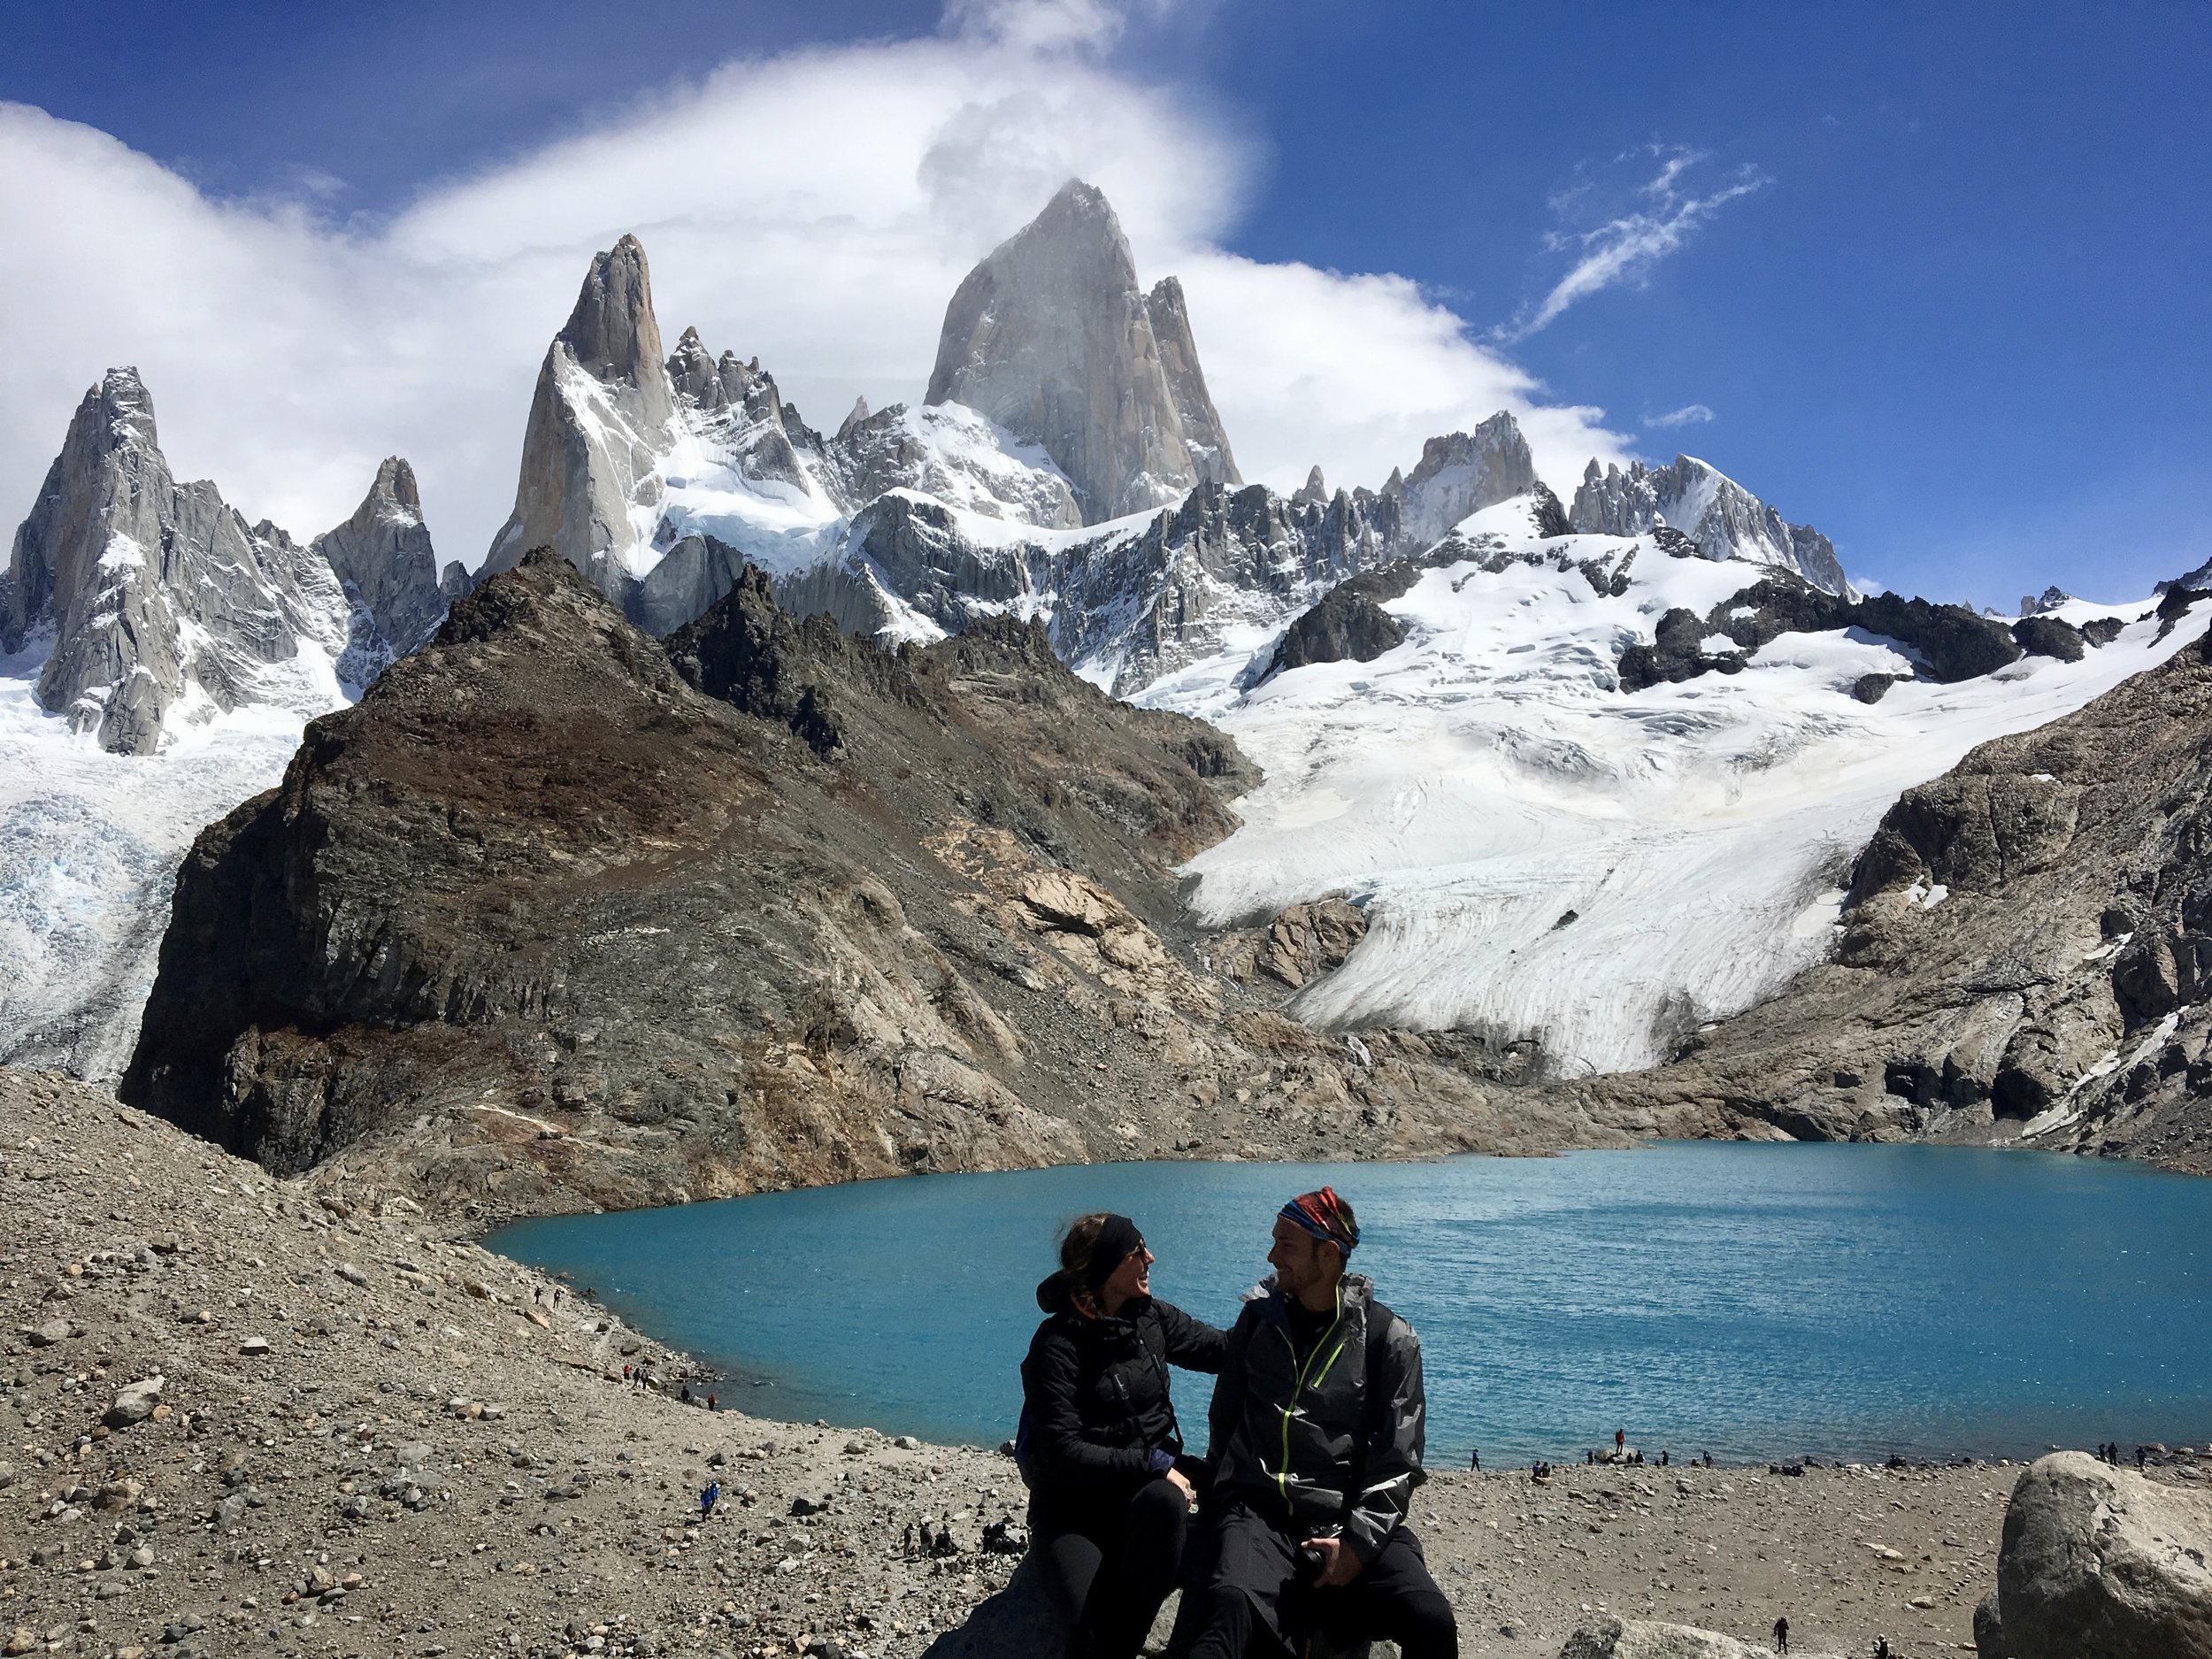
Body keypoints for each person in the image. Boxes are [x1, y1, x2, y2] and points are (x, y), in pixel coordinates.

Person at [1185, 1187, 1456, 1659]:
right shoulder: (1257, 1323)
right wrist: (1221, 1500)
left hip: (1348, 1513)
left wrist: (1356, 1545)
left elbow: (1398, 1461)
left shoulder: (1389, 1341)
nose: (1271, 1256)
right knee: (1227, 1609)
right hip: (1260, 1511)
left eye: (1286, 1245)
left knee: (1430, 1619)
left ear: (1328, 1255)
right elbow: (1224, 1423)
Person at [1020, 1212, 1225, 1659]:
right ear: (1107, 1266)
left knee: (1166, 1502)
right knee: (1086, 1629)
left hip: (1142, 1495)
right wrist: (1153, 1463)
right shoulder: (1055, 1346)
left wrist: (1280, 1314)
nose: (1150, 1258)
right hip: (1074, 1507)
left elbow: (1222, 1351)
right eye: (1137, 1251)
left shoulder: (1149, 1317)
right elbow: (1062, 1454)